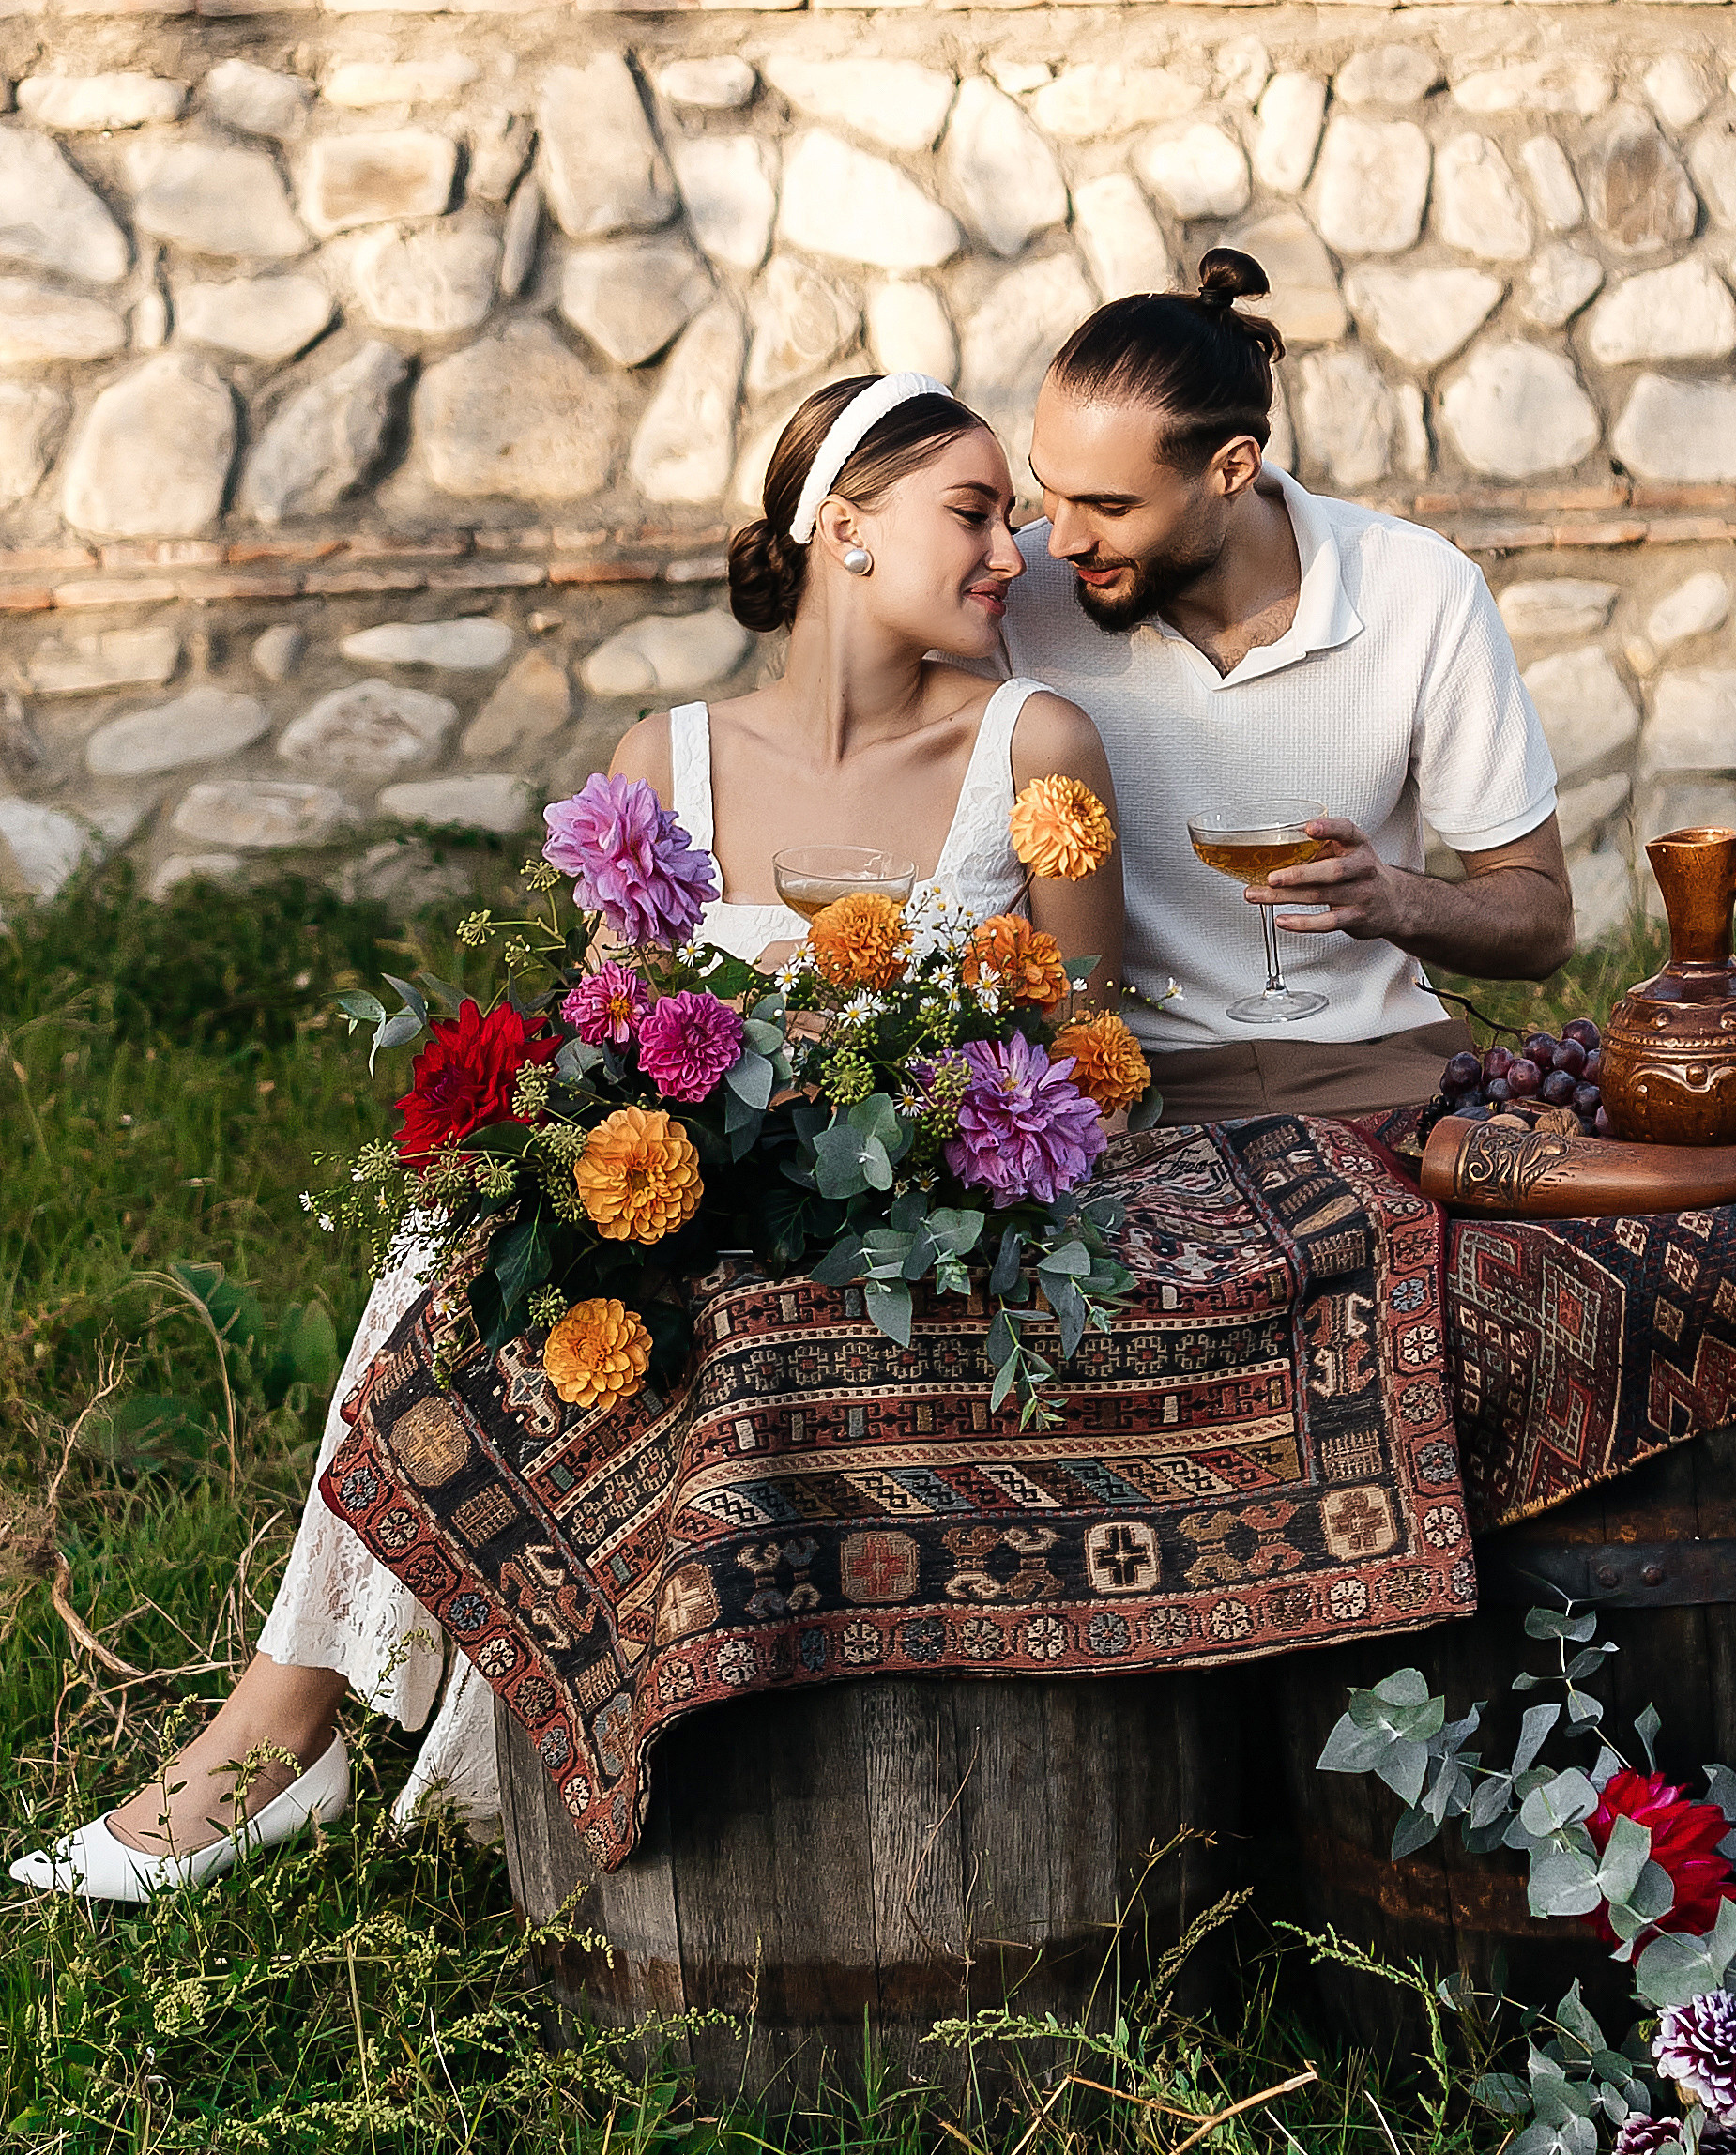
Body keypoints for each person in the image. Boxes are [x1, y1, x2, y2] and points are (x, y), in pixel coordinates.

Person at [11, 373, 1123, 1903]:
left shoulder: (1037, 740)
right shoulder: (664, 757)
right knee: (451, 1237)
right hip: (688, 1184)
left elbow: (1107, 1050)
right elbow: (601, 1039)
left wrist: (912, 1103)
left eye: (1012, 516)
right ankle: (284, 1729)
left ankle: (304, 1741)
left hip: (904, 1201)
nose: (1016, 550)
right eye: (975, 512)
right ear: (846, 533)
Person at [1005, 248, 1572, 1126]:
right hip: (1121, 1086)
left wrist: (1395, 900)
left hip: (1375, 1066)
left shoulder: (1420, 590)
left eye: (1110, 507)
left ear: (1232, 468)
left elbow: (1542, 924)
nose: (1061, 537)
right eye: (1049, 488)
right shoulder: (1020, 593)